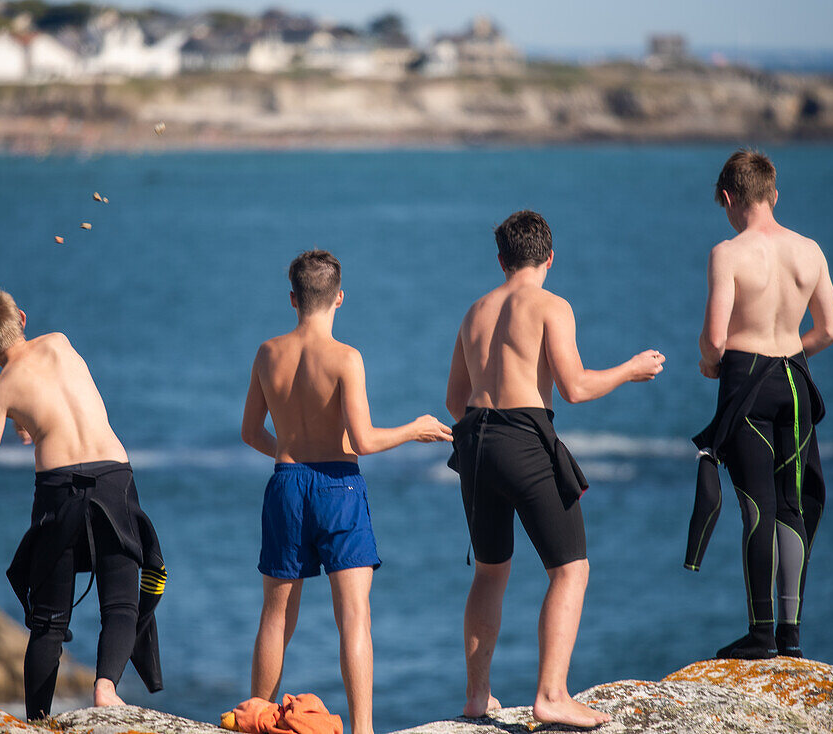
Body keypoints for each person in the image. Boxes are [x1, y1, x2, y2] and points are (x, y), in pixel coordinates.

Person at [445, 211, 664, 728]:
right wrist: (632, 370)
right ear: (549, 256)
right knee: (570, 569)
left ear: (501, 259)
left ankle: (477, 696)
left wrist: (490, 434)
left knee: (489, 571)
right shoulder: (551, 305)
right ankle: (552, 695)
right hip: (524, 436)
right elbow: (575, 388)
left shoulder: (475, 310)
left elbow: (456, 399)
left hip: (475, 441)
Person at [241, 250, 452, 734]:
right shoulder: (346, 359)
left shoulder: (267, 353)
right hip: (339, 486)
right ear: (339, 297)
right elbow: (364, 441)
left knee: (276, 616)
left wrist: (288, 456)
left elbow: (251, 431)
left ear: (293, 298)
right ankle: (363, 731)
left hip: (287, 483)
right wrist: (414, 428)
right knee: (354, 616)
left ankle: (255, 716)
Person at [0, 284, 166, 720]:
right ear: (23, 319)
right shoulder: (60, 343)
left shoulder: (0, 391)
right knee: (121, 603)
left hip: (59, 491)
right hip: (113, 477)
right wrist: (24, 424)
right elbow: (57, 407)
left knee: (49, 620)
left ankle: (36, 722)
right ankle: (105, 687)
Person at [689, 150, 833, 660]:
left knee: (757, 507)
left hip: (746, 381)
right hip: (795, 380)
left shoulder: (728, 254)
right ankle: (791, 635)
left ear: (730, 198)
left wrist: (712, 365)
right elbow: (830, 330)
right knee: (791, 507)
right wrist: (788, 356)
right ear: (773, 193)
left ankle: (760, 633)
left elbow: (713, 339)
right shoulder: (810, 250)